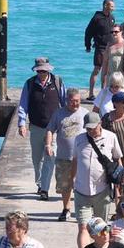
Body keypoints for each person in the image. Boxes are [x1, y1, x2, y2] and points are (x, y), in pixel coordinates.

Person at [68, 112, 123, 241]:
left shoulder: (111, 137)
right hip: (81, 189)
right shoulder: (79, 139)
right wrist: (72, 179)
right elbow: (75, 160)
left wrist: (118, 183)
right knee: (83, 227)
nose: (91, 131)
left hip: (102, 190)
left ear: (100, 124)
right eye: (88, 128)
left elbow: (118, 160)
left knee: (101, 226)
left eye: (93, 128)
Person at [17, 57, 64, 200]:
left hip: (53, 128)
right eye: (39, 71)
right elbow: (23, 105)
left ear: (48, 69)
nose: (42, 73)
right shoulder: (30, 84)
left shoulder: (58, 82)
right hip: (36, 127)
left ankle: (44, 188)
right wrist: (21, 123)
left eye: (44, 70)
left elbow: (65, 102)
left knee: (50, 157)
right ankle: (39, 183)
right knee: (37, 159)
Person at [46, 88, 90, 223]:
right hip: (64, 157)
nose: (75, 104)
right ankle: (66, 209)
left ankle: (83, 210)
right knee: (65, 185)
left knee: (82, 185)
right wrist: (48, 145)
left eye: (77, 101)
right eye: (72, 101)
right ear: (67, 101)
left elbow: (94, 131)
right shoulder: (59, 113)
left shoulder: (86, 113)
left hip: (82, 158)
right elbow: (50, 130)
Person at [83, 0, 117, 93]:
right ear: (105, 5)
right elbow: (88, 32)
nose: (113, 8)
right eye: (112, 6)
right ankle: (90, 93)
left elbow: (114, 32)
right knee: (97, 69)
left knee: (107, 71)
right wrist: (88, 45)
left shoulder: (112, 17)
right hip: (100, 47)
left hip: (110, 47)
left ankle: (104, 91)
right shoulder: (97, 18)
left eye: (114, 6)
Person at [97, 26, 124, 106]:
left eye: (116, 32)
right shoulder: (109, 45)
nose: (114, 33)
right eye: (112, 32)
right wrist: (103, 76)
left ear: (121, 32)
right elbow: (105, 61)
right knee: (111, 94)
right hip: (112, 75)